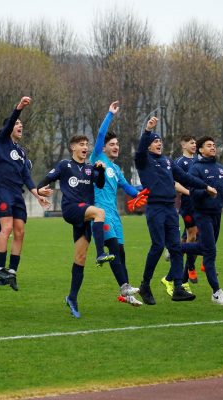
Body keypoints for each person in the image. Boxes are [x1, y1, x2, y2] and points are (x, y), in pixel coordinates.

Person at [134, 117, 216, 305]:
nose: (159, 144)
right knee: (157, 246)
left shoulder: (168, 162)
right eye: (155, 141)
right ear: (148, 146)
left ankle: (178, 287)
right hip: (155, 208)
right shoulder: (143, 160)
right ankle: (145, 284)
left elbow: (185, 177)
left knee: (176, 247)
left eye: (160, 141)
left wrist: (205, 186)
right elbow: (139, 150)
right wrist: (147, 130)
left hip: (170, 209)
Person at [38, 135, 114, 318]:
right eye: (81, 144)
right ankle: (101, 253)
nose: (85, 147)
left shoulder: (89, 168)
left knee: (80, 257)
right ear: (73, 147)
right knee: (100, 213)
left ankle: (72, 297)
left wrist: (101, 171)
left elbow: (101, 184)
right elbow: (45, 180)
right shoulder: (65, 165)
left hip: (84, 216)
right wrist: (40, 190)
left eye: (86, 145)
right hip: (71, 209)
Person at [0, 96, 50, 290]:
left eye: (21, 124)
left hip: (17, 194)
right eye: (16, 124)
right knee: (5, 228)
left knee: (20, 232)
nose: (20, 126)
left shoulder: (21, 152)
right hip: (2, 191)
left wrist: (37, 195)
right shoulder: (1, 142)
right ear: (9, 128)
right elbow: (9, 123)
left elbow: (27, 177)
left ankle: (12, 273)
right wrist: (19, 108)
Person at [89, 101, 143, 306]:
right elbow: (101, 135)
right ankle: (124, 288)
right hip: (100, 212)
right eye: (112, 144)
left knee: (120, 253)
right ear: (103, 147)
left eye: (117, 144)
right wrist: (110, 114)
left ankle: (127, 294)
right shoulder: (97, 156)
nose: (116, 146)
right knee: (112, 248)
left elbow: (129, 189)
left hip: (115, 215)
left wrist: (146, 190)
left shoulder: (117, 169)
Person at [181, 136, 223, 305]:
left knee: (207, 250)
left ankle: (175, 246)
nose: (213, 148)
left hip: (217, 214)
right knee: (210, 252)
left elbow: (221, 193)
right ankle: (216, 292)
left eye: (214, 145)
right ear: (200, 150)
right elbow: (193, 194)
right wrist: (206, 192)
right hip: (202, 214)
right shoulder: (195, 169)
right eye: (209, 145)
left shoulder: (220, 169)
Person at [174, 135, 199, 284]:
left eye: (195, 143)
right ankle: (190, 267)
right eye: (191, 143)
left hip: (200, 204)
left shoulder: (198, 161)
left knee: (192, 236)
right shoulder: (179, 162)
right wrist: (189, 192)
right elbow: (176, 183)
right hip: (188, 204)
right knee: (193, 235)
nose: (194, 145)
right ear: (183, 145)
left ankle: (174, 249)